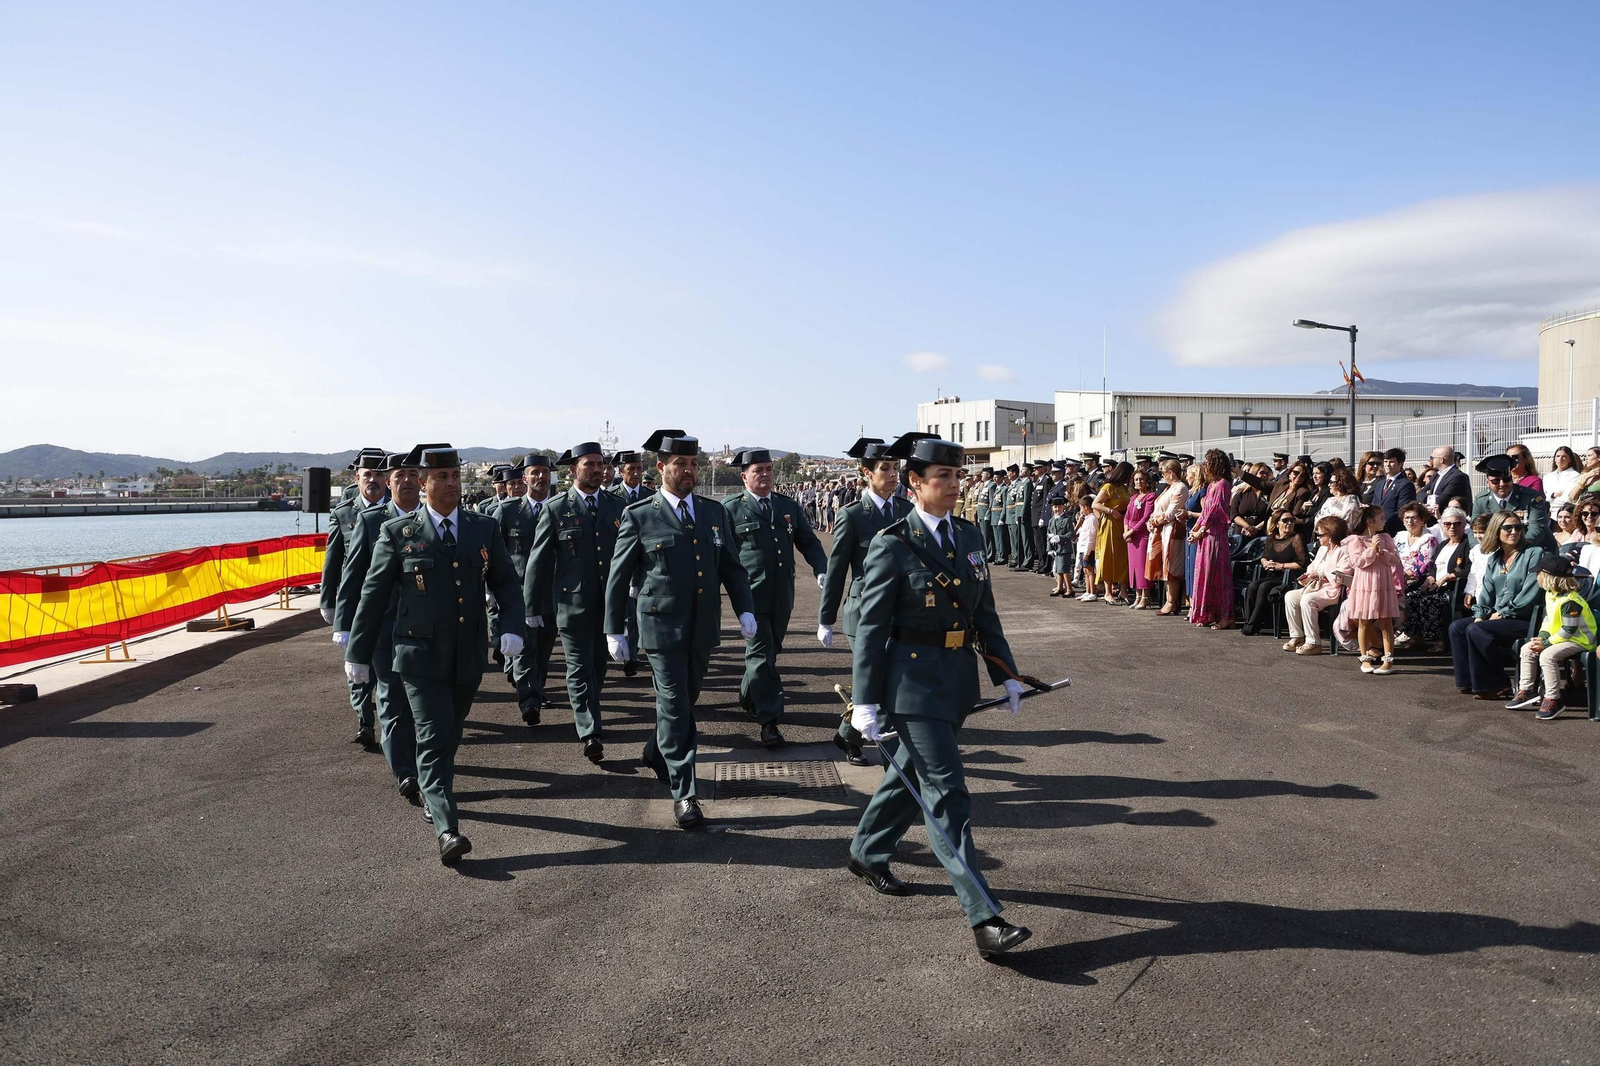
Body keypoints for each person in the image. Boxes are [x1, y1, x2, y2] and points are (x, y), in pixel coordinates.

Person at [844, 433, 1031, 959]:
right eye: (942, 477)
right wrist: (864, 700)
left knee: (910, 778)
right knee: (947, 794)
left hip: (955, 680)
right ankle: (985, 918)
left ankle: (866, 851)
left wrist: (1006, 673)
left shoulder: (968, 535)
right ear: (915, 483)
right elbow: (871, 629)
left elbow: (983, 612)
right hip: (910, 687)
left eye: (957, 475)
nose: (954, 485)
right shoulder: (892, 544)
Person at [345, 444, 527, 866]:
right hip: (418, 654)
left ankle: (432, 785)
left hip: (467, 653)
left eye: (456, 476)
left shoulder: (482, 528)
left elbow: (505, 580)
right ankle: (448, 828)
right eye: (442, 477)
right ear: (424, 483)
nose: (451, 484)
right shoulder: (399, 533)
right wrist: (357, 652)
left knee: (450, 733)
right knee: (432, 734)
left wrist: (512, 627)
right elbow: (373, 596)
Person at [604, 430, 757, 829]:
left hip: (702, 626)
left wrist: (745, 609)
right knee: (675, 704)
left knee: (684, 701)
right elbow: (618, 579)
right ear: (661, 467)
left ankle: (656, 751)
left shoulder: (712, 512)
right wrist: (614, 629)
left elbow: (731, 567)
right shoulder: (640, 515)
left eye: (693, 464)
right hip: (660, 627)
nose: (688, 471)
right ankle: (685, 793)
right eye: (680, 464)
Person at [525, 442, 626, 764]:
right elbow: (538, 561)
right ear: (573, 470)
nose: (597, 470)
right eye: (589, 464)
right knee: (579, 668)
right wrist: (531, 608)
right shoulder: (556, 508)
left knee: (599, 666)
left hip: (609, 604)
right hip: (572, 605)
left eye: (600, 464)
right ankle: (589, 731)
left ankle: (590, 713)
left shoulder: (617, 505)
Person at [333, 450, 424, 804]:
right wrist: (345, 626)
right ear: (389, 481)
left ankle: (424, 761)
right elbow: (353, 577)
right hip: (384, 626)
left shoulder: (433, 518)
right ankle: (405, 770)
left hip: (427, 628)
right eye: (399, 476)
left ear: (422, 480)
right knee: (392, 697)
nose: (406, 481)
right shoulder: (371, 522)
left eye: (412, 475)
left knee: (427, 703)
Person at [819, 437, 916, 765]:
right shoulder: (853, 515)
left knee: (881, 684)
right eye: (885, 468)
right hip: (862, 614)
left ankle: (847, 735)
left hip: (898, 613)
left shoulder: (907, 511)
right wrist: (826, 619)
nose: (893, 474)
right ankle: (894, 766)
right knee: (884, 683)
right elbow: (837, 571)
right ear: (866, 473)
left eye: (895, 468)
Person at [725, 447, 828, 748]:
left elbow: (808, 541)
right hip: (751, 596)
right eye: (758, 470)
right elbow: (722, 556)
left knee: (770, 652)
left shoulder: (787, 506)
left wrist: (821, 569)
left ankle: (748, 696)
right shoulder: (731, 510)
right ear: (744, 477)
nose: (766, 475)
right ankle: (769, 720)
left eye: (769, 469)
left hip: (783, 594)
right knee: (760, 654)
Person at [320, 448, 390, 748]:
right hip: (357, 602)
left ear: (387, 479)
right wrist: (328, 601)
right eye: (367, 475)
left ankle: (392, 724)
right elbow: (333, 561)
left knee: (389, 668)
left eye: (378, 474)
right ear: (357, 479)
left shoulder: (401, 509)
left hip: (392, 602)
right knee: (357, 664)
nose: (373, 480)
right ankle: (365, 721)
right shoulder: (343, 513)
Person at [1447, 510, 1545, 700]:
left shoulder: (1534, 553)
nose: (1514, 532)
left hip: (1525, 618)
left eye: (1518, 527)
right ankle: (1469, 682)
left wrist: (1502, 613)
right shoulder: (1495, 558)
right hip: (1499, 617)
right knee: (1458, 627)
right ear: (1496, 530)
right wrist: (1480, 615)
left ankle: (1497, 684)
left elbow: (1530, 594)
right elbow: (1486, 593)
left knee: (1477, 630)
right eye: (1508, 528)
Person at [1505, 555, 1597, 720]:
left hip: (1580, 640)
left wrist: (1546, 644)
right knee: (1527, 648)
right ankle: (1527, 690)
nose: (1536, 577)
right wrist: (1542, 637)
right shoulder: (1550, 594)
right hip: (1560, 638)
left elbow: (1569, 629)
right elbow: (1548, 620)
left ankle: (1554, 698)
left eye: (1538, 574)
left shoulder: (1570, 601)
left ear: (1549, 577)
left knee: (1547, 655)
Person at [1400, 506, 1471, 653]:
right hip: (1437, 586)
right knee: (1411, 596)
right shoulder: (1443, 544)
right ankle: (1415, 636)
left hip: (1453, 588)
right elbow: (1434, 567)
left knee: (1429, 601)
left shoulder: (1467, 544)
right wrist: (1430, 578)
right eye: (1448, 524)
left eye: (1457, 524)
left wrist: (1448, 576)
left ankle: (1439, 640)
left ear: (1464, 525)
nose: (1452, 527)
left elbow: (1468, 569)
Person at [1345, 504, 1402, 675]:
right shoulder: (1355, 540)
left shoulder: (1385, 537)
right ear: (1370, 522)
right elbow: (1358, 562)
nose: (1385, 521)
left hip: (1383, 584)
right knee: (1363, 621)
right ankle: (1365, 658)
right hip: (1364, 585)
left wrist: (1382, 552)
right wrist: (1371, 550)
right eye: (1381, 518)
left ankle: (1388, 660)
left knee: (1386, 622)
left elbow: (1395, 560)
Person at [1284, 516, 1351, 654]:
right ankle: (1297, 636)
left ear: (1330, 535)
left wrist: (1322, 574)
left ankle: (1313, 642)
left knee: (1308, 600)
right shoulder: (1322, 549)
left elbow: (1342, 576)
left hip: (1334, 590)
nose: (1318, 538)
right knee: (1290, 596)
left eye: (1320, 535)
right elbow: (1312, 567)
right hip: (1316, 586)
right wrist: (1308, 576)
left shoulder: (1344, 551)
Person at [1188, 449, 1234, 629]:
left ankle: (1226, 616)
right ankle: (1207, 613)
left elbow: (1216, 512)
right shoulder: (1211, 485)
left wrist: (1201, 530)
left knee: (1218, 575)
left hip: (1216, 536)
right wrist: (1195, 529)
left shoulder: (1223, 484)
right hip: (1206, 536)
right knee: (1205, 574)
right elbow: (1205, 512)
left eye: (1208, 463)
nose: (1206, 466)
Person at [1240, 510, 1306, 635]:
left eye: (1292, 520)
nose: (1289, 523)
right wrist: (1266, 563)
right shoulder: (1271, 538)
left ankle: (1254, 624)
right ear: (1276, 523)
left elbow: (1302, 563)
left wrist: (1281, 566)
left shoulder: (1297, 538)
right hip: (1272, 575)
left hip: (1288, 577)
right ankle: (1248, 621)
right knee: (1253, 586)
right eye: (1285, 520)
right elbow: (1264, 557)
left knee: (1264, 587)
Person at [1472, 454, 1554, 551]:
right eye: (1496, 481)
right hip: (1495, 551)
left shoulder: (1532, 498)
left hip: (1531, 549)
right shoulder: (1481, 500)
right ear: (1487, 483)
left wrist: (1512, 549)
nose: (1502, 484)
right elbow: (1474, 530)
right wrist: (1478, 550)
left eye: (1506, 479)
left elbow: (1537, 529)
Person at [1390, 501, 1441, 650]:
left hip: (1416, 580)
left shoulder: (1428, 539)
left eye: (1414, 518)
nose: (1409, 521)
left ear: (1422, 520)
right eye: (1406, 518)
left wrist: (1401, 575)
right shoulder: (1399, 536)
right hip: (1396, 577)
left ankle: (1410, 634)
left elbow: (1424, 566)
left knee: (1407, 596)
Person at [1148, 458, 1189, 616]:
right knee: (1165, 566)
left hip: (1172, 531)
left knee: (1172, 566)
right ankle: (1169, 600)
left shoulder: (1180, 488)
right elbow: (1157, 509)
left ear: (1171, 473)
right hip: (1162, 531)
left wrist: (1156, 521)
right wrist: (1151, 521)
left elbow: (1172, 511)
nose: (1163, 476)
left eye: (1164, 473)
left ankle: (1172, 601)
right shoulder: (1168, 488)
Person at [1092, 461, 1132, 605]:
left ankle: (1123, 591)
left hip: (1122, 524)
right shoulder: (1108, 487)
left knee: (1123, 557)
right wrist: (1111, 511)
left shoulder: (1124, 488)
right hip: (1110, 523)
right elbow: (1095, 504)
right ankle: (1108, 592)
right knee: (1108, 556)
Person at [1124, 469, 1157, 609]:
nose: (1138, 482)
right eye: (1136, 479)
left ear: (1147, 481)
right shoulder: (1133, 497)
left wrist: (1132, 531)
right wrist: (1126, 531)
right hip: (1130, 536)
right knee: (1133, 566)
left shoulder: (1150, 496)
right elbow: (1127, 516)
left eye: (1141, 479)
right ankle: (1137, 596)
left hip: (1141, 534)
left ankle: (1145, 597)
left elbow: (1146, 517)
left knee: (1142, 565)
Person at [1370, 448, 1415, 535]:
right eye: (1385, 461)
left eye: (1391, 462)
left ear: (1401, 464)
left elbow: (1402, 510)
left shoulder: (1406, 485)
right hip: (1376, 530)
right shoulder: (1380, 483)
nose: (1387, 465)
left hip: (1393, 531)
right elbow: (1374, 505)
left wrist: (1383, 523)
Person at [1420, 447, 1471, 519]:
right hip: (1433, 518)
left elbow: (1442, 500)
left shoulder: (1457, 476)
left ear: (1441, 460)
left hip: (1448, 519)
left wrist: (1428, 501)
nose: (1431, 461)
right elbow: (1420, 493)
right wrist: (1430, 500)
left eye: (1433, 458)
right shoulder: (1436, 475)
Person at [1047, 494, 1073, 596]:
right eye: (1055, 507)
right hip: (1056, 549)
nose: (1057, 509)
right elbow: (1049, 535)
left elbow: (1071, 533)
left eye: (1059, 506)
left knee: (1064, 569)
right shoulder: (1051, 520)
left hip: (1064, 548)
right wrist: (1049, 548)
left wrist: (1060, 538)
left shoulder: (1067, 519)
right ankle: (1060, 587)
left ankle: (1069, 589)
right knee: (1058, 569)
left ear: (1063, 507)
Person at [1075, 496, 1099, 601]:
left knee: (1090, 571)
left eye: (1081, 508)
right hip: (1082, 548)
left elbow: (1091, 537)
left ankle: (1093, 592)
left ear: (1086, 507)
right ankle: (1088, 591)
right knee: (1085, 571)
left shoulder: (1092, 519)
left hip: (1088, 549)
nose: (1081, 511)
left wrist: (1087, 552)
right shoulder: (1086, 518)